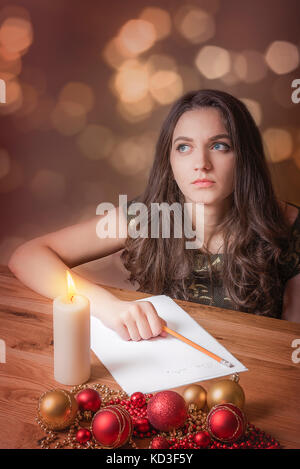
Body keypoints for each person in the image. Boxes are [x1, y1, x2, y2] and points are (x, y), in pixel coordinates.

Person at [8, 90, 300, 343]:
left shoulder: (288, 227)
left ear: (245, 156)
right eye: (184, 147)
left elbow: (288, 345)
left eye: (219, 145)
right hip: (166, 374)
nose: (201, 163)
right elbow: (28, 256)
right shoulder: (149, 215)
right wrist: (109, 307)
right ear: (170, 160)